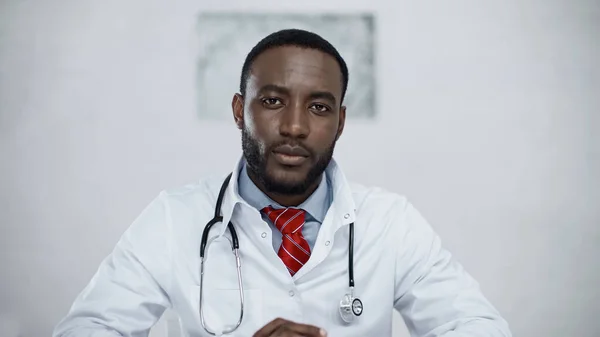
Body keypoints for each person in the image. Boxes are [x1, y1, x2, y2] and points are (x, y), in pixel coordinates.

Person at [53, 28, 512, 337]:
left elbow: (476, 326)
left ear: (341, 121)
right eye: (273, 101)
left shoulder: (391, 223)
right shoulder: (175, 219)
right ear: (239, 111)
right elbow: (88, 328)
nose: (294, 127)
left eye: (318, 107)